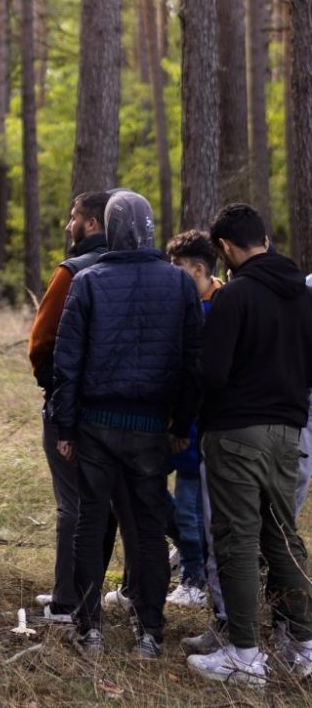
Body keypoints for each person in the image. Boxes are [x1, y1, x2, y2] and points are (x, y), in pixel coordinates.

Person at [52, 190, 203, 658]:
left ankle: (89, 628)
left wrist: (64, 427)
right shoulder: (179, 283)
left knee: (91, 524)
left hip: (98, 424)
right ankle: (149, 634)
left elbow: (67, 361)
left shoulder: (89, 280)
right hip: (150, 426)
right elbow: (191, 362)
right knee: (148, 528)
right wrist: (182, 421)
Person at [185, 204, 312, 687]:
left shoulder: (235, 297)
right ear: (265, 238)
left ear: (224, 248)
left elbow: (212, 372)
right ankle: (303, 644)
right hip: (288, 432)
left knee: (236, 540)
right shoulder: (303, 296)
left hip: (236, 433)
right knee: (282, 537)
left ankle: (244, 654)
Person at [27, 192, 113, 623]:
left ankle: (68, 599)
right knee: (116, 504)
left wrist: (57, 389)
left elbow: (40, 343)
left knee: (73, 505)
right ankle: (113, 595)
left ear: (93, 224)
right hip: (128, 413)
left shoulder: (72, 272)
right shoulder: (149, 271)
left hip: (74, 410)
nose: (68, 225)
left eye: (74, 217)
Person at [164, 231, 223, 610]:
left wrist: (183, 426)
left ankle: (194, 578)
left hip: (202, 428)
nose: (173, 276)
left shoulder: (216, 308)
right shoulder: (191, 303)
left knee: (190, 506)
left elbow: (199, 375)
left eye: (179, 269)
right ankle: (189, 558)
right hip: (186, 424)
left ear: (199, 269)